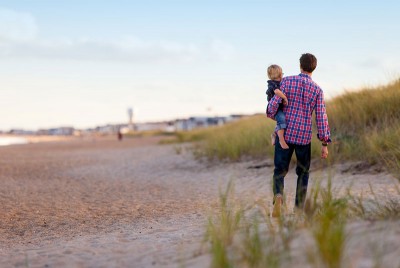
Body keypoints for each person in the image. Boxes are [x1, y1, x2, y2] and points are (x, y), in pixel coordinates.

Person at [266, 53, 331, 217]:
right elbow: (321, 117)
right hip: (303, 136)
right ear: (314, 68)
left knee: (279, 171)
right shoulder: (317, 89)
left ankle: (279, 196)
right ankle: (299, 208)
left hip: (286, 134)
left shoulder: (286, 81)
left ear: (300, 65)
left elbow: (272, 109)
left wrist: (273, 109)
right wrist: (324, 143)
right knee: (303, 172)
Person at [266, 64, 289, 149]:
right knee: (282, 119)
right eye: (281, 73)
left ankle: (274, 134)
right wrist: (285, 98)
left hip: (279, 107)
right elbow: (276, 92)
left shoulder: (280, 82)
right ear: (279, 74)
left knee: (282, 121)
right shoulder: (272, 83)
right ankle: (281, 140)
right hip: (275, 108)